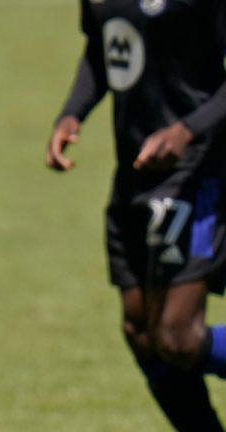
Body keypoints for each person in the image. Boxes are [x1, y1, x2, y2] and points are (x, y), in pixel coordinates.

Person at [47, 1, 226, 430]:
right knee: (141, 332)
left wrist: (187, 130)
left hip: (197, 171)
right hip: (134, 173)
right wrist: (73, 111)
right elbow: (104, 49)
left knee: (178, 336)